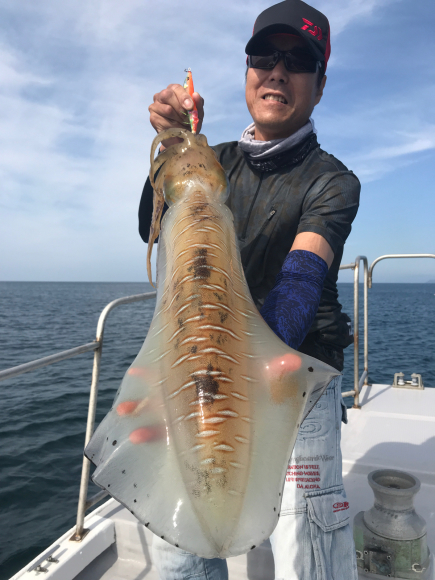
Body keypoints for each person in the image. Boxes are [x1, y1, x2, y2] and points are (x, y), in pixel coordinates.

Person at [139, 1, 360, 578]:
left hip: (296, 378)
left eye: (299, 61)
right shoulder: (213, 162)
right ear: (247, 72)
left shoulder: (332, 180)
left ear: (320, 84)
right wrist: (172, 144)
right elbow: (153, 226)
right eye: (264, 56)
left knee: (303, 549)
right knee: (177, 539)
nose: (278, 72)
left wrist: (252, 370)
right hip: (197, 368)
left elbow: (299, 285)